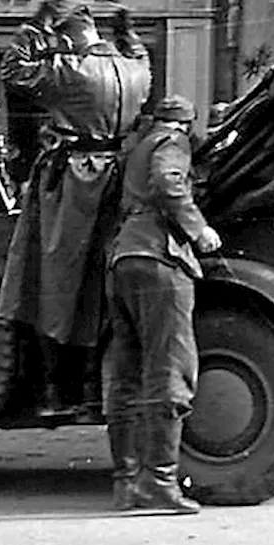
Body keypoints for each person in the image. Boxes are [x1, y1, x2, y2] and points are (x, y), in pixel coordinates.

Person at [0, 0, 153, 415]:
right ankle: (92, 386)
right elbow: (140, 53)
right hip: (118, 177)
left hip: (74, 181)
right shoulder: (134, 69)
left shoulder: (71, 71)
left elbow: (12, 71)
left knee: (53, 280)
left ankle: (55, 390)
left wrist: (34, 26)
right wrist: (127, 31)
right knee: (101, 286)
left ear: (65, 38)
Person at [102, 95, 221, 514]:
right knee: (171, 370)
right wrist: (199, 229)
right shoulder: (172, 141)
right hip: (160, 259)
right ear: (186, 124)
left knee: (127, 375)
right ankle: (160, 483)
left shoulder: (137, 144)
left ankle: (127, 483)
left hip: (123, 259)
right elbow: (169, 181)